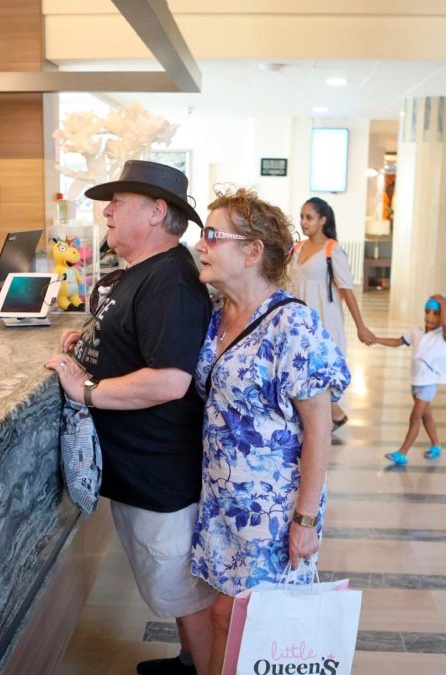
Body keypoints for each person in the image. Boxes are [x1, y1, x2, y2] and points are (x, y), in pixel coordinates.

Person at [46, 160, 215, 675]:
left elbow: (169, 380)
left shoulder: (171, 281)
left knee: (184, 592)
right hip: (138, 468)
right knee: (171, 586)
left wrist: (89, 390)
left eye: (120, 201)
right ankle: (188, 662)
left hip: (161, 470)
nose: (107, 210)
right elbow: (136, 340)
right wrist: (90, 340)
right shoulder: (142, 272)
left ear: (158, 212)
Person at [190, 187, 350, 675]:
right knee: (225, 616)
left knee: (248, 621)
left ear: (252, 251)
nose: (201, 245)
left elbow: (319, 429)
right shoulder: (218, 316)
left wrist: (304, 521)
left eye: (213, 236)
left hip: (272, 511)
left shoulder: (292, 325)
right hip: (223, 504)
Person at [290, 197, 376, 430]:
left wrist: (361, 327)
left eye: (309, 217)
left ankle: (328, 417)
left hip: (325, 321)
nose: (303, 222)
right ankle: (330, 416)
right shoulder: (297, 249)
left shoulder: (332, 250)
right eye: (302, 217)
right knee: (302, 370)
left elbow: (347, 291)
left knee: (321, 372)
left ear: (322, 220)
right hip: (300, 321)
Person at [375, 294, 446, 465]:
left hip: (429, 384)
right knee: (426, 417)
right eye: (428, 312)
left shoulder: (444, 335)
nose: (430, 316)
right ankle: (436, 445)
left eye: (436, 313)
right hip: (416, 382)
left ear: (443, 316)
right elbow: (397, 341)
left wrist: (442, 302)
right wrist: (376, 339)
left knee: (414, 417)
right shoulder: (416, 332)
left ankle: (402, 453)